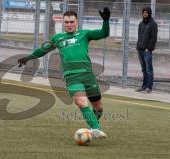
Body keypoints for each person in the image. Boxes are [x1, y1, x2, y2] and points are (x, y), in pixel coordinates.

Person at [18, 8, 110, 139]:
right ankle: (96, 129)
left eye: (71, 22)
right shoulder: (58, 38)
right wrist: (28, 58)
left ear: (76, 22)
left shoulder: (85, 34)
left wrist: (106, 21)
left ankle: (92, 125)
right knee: (81, 101)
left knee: (98, 107)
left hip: (88, 75)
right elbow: (43, 50)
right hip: (72, 77)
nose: (69, 24)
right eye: (66, 22)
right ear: (63, 23)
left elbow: (103, 33)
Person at [136, 7, 158, 93]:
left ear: (149, 14)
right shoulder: (141, 24)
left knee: (149, 70)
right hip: (140, 50)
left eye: (146, 12)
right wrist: (138, 46)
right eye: (143, 12)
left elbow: (154, 38)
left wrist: (148, 48)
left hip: (147, 51)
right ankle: (144, 86)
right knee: (144, 69)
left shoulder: (153, 24)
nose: (144, 14)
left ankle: (149, 87)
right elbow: (140, 37)